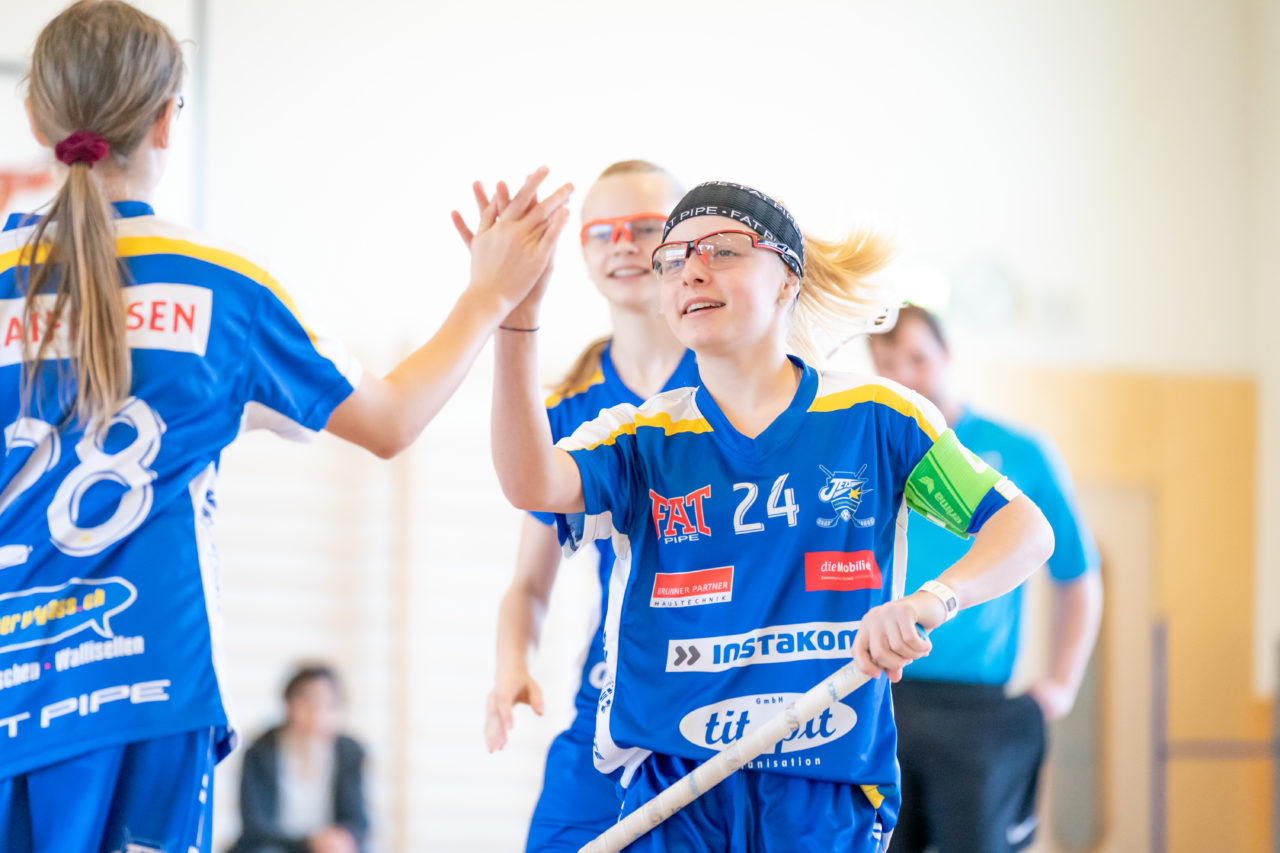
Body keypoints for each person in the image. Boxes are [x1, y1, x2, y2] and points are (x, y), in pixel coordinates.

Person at [0, 2, 570, 850]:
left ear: (37, 119)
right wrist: (488, 295)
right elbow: (392, 419)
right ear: (167, 119)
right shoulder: (222, 287)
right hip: (148, 682)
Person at [473, 179, 1056, 852]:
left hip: (826, 781)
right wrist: (514, 318)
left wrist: (934, 597)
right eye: (676, 257)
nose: (692, 268)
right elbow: (529, 481)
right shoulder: (638, 436)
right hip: (671, 785)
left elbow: (1025, 528)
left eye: (723, 250)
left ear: (787, 279)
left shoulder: (878, 416)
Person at [476, 160, 697, 852]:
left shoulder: (735, 379)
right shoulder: (569, 408)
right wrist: (512, 663)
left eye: (643, 228)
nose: (623, 245)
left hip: (723, 695)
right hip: (612, 697)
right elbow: (529, 582)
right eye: (602, 232)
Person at [867, 305, 1102, 853]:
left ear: (947, 357)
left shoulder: (1021, 453)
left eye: (919, 359)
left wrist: (1062, 684)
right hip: (882, 697)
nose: (906, 376)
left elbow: (1078, 575)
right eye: (888, 363)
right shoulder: (870, 458)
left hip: (979, 709)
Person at [232, 665, 368, 853]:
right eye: (310, 702)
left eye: (329, 704)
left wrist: (342, 838)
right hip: (275, 846)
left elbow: (359, 822)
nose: (318, 713)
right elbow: (255, 826)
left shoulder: (349, 753)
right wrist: (309, 842)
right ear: (289, 704)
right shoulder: (260, 752)